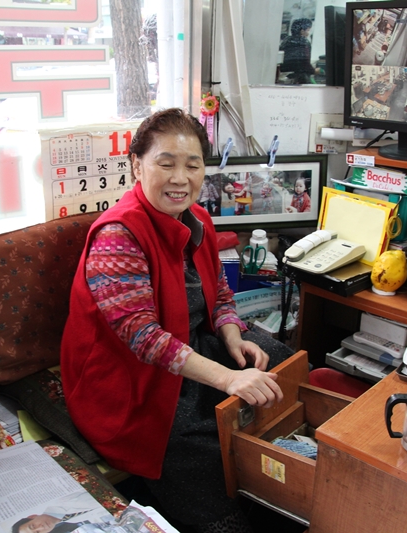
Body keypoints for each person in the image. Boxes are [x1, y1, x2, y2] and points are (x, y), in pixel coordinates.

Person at [60, 108, 293, 533]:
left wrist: (232, 335)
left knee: (279, 362)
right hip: (132, 380)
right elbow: (145, 339)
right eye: (165, 164)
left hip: (191, 346)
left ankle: (279, 494)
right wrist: (227, 379)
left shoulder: (197, 217)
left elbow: (220, 292)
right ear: (137, 165)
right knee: (199, 446)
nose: (180, 178)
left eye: (192, 165)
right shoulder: (118, 236)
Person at [280, 18, 317, 85]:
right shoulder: (304, 42)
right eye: (308, 30)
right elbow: (304, 63)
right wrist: (314, 71)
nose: (309, 33)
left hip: (284, 76)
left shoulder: (286, 40)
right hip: (299, 78)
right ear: (302, 31)